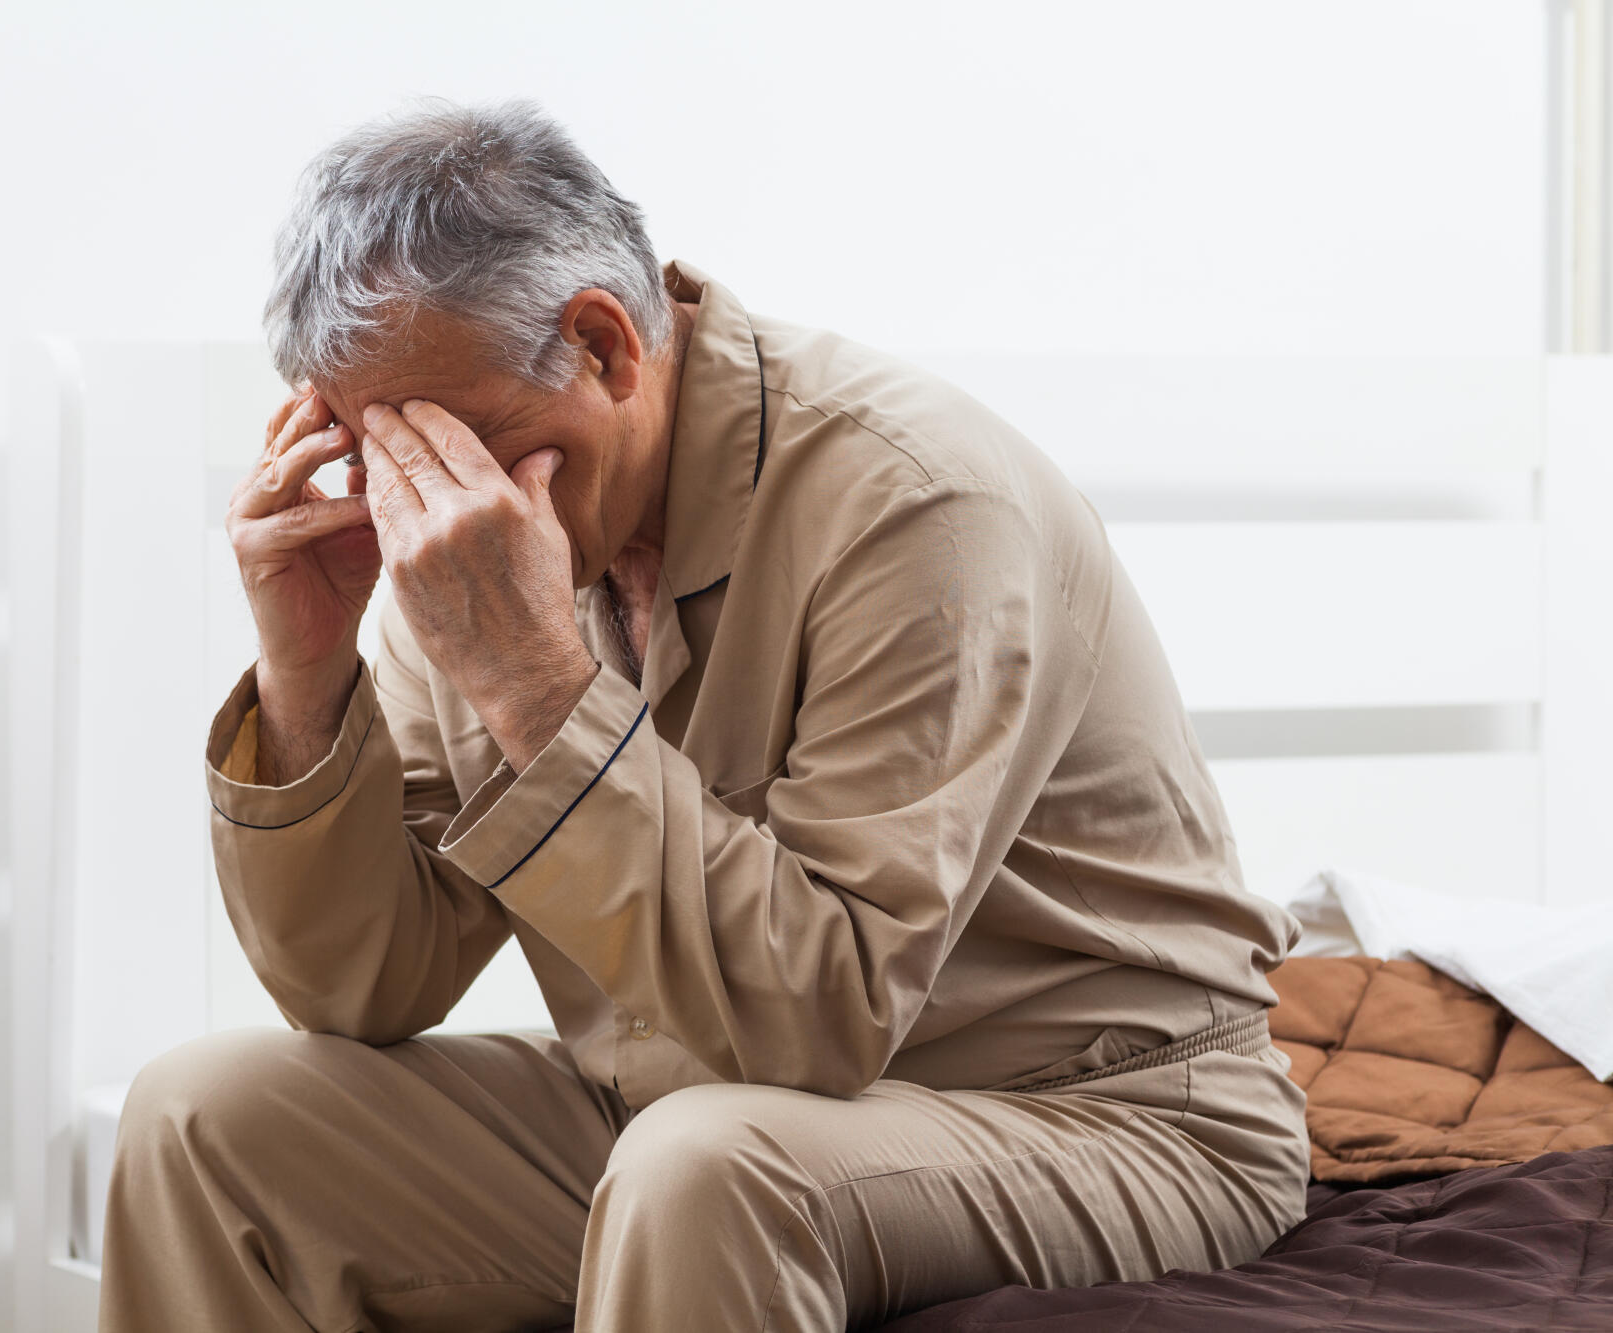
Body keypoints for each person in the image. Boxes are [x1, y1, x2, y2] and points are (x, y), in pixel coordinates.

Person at [98, 96, 1308, 1333]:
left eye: (450, 444)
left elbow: (822, 1017)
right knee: (204, 1117)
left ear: (604, 346)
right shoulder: (465, 528)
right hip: (681, 1094)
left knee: (705, 1167)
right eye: (377, 453)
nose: (421, 501)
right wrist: (306, 672)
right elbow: (364, 987)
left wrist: (532, 685)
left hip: (1098, 1112)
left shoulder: (917, 501)